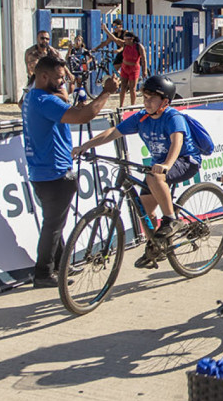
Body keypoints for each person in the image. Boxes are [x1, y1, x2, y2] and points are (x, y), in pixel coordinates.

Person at [72, 75, 202, 268]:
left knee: (154, 176)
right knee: (145, 210)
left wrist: (166, 165)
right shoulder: (141, 117)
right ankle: (156, 247)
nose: (146, 102)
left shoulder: (173, 117)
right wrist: (85, 145)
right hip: (159, 166)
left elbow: (177, 142)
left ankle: (171, 220)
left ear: (165, 102)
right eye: (144, 97)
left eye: (151, 98)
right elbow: (113, 132)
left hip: (185, 161)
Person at [22, 56, 119, 288]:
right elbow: (83, 116)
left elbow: (65, 100)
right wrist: (106, 92)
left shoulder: (32, 96)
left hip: (41, 170)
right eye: (58, 78)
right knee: (53, 225)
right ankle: (43, 272)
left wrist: (63, 88)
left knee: (55, 223)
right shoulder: (45, 100)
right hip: (54, 171)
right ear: (43, 76)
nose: (63, 81)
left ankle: (60, 265)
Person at [115, 31, 148, 110]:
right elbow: (115, 39)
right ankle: (121, 106)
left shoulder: (139, 47)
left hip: (134, 68)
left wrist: (144, 70)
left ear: (131, 39)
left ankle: (132, 106)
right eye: (124, 39)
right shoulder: (124, 45)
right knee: (123, 86)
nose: (125, 41)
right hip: (125, 67)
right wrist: (105, 29)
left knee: (132, 88)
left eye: (126, 39)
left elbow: (144, 59)